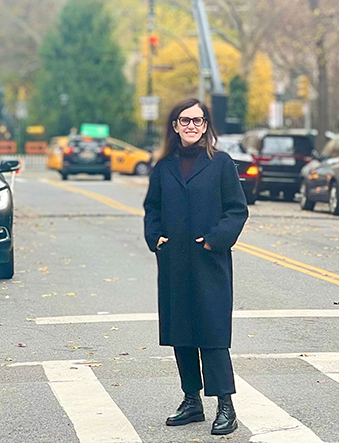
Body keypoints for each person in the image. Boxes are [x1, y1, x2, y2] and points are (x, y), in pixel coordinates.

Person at [143, 98, 249, 436]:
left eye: (198, 121)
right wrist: (155, 237)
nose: (192, 126)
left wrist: (215, 239)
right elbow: (152, 208)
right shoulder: (163, 167)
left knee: (213, 333)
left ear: (206, 127)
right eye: (185, 120)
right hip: (175, 261)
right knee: (181, 332)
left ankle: (226, 406)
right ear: (174, 126)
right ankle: (192, 400)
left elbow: (236, 209)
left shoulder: (221, 163)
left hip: (209, 260)